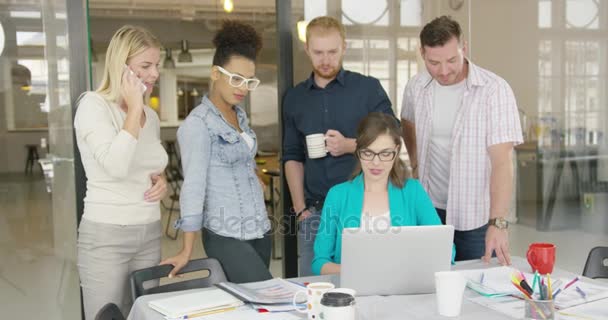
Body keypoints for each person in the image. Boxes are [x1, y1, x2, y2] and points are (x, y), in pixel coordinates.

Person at [400, 16, 522, 264]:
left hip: (475, 216)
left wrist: (498, 222)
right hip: (429, 209)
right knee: (426, 284)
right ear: (422, 53)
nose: (444, 71)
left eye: (451, 60)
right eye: (434, 62)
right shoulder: (416, 87)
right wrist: (415, 165)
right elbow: (407, 123)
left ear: (463, 48)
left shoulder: (494, 90)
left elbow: (502, 161)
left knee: (477, 289)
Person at [161, 21, 272, 283]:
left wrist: (255, 177)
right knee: (266, 294)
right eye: (235, 78)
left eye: (249, 81)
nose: (242, 87)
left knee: (252, 306)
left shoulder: (240, 116)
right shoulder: (197, 124)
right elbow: (193, 186)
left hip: (260, 229)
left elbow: (243, 163)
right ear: (215, 73)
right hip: (226, 234)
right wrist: (187, 249)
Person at [283, 16, 394, 276]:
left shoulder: (367, 89)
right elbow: (292, 156)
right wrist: (301, 211)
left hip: (365, 209)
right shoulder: (295, 98)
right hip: (315, 213)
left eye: (332, 51)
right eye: (318, 52)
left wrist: (349, 146)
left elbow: (393, 138)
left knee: (368, 283)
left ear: (344, 46)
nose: (325, 59)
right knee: (312, 289)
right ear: (307, 49)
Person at [74, 25, 168, 319]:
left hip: (150, 231)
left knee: (145, 315)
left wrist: (161, 179)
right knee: (107, 315)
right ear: (121, 66)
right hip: (106, 236)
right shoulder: (93, 105)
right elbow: (115, 166)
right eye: (145, 65)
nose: (154, 74)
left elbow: (148, 162)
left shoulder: (149, 116)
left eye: (157, 65)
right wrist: (133, 108)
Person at [312, 112, 447, 275]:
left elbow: (444, 248)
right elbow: (320, 262)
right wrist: (358, 273)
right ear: (358, 150)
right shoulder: (337, 195)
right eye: (368, 153)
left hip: (403, 289)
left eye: (385, 153)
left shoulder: (413, 191)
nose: (376, 162)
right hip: (352, 292)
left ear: (396, 151)